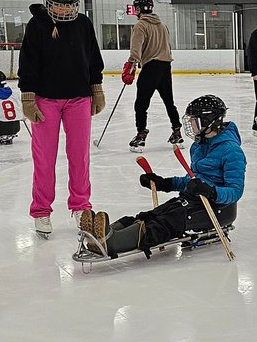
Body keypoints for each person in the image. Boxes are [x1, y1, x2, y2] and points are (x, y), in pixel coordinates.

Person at [81, 95, 244, 258]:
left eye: (195, 121)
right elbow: (192, 181)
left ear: (208, 121)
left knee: (165, 223)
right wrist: (164, 183)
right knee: (152, 215)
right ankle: (104, 233)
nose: (191, 125)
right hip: (192, 200)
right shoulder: (199, 146)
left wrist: (211, 191)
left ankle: (113, 242)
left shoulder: (231, 151)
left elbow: (235, 191)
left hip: (215, 207)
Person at [17, 0, 106, 238]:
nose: (65, 9)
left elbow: (93, 59)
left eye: (69, 4)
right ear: (48, 1)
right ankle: (41, 210)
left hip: (79, 99)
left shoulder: (83, 24)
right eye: (59, 4)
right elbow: (28, 63)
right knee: (44, 158)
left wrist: (97, 89)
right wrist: (28, 97)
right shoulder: (37, 25)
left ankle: (80, 205)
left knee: (80, 156)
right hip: (46, 100)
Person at [125, 0, 182, 151]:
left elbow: (136, 48)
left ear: (138, 9)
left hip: (151, 68)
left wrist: (131, 64)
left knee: (141, 104)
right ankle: (177, 132)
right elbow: (168, 47)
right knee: (169, 102)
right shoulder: (163, 26)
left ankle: (141, 135)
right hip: (165, 66)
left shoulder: (140, 25)